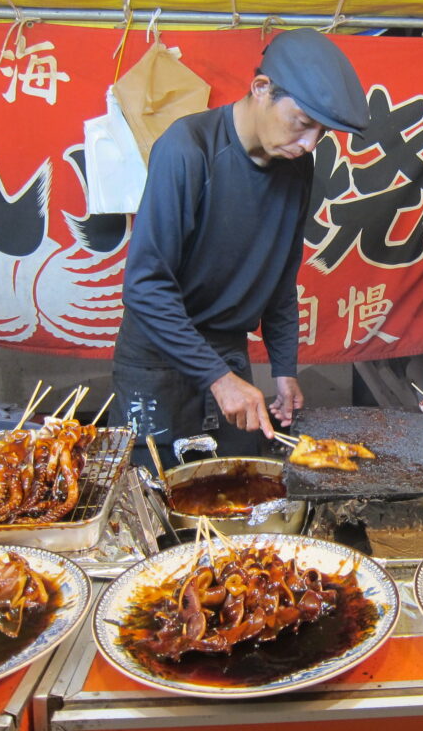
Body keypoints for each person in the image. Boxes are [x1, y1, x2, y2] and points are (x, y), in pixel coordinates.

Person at [111, 28, 369, 469]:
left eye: (321, 133)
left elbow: (281, 275)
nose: (309, 144)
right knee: (153, 497)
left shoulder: (297, 165)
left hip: (228, 353)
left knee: (238, 486)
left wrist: (285, 369)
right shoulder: (187, 149)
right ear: (262, 89)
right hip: (159, 355)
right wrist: (217, 379)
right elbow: (145, 287)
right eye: (304, 123)